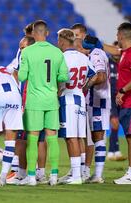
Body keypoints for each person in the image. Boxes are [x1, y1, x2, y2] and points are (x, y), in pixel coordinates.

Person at [83, 22, 131, 184]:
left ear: (122, 35)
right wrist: (99, 43)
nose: (116, 36)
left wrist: (123, 91)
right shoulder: (129, 51)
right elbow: (116, 51)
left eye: (117, 34)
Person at [18, 20, 69, 186]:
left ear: (33, 33)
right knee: (52, 138)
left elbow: (21, 76)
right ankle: (54, 176)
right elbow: (64, 77)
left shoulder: (27, 52)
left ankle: (31, 177)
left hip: (34, 101)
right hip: (52, 100)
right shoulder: (57, 52)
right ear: (47, 33)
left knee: (32, 139)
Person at [6, 23, 48, 185]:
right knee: (41, 140)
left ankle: (22, 174)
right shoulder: (47, 53)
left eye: (22, 47)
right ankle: (41, 174)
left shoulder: (27, 57)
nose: (21, 50)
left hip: (29, 102)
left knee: (22, 139)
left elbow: (19, 76)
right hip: (46, 101)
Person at [56, 28, 95, 185]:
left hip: (68, 98)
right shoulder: (83, 57)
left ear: (63, 41)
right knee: (77, 137)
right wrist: (84, 87)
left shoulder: (61, 57)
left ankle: (77, 176)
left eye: (58, 40)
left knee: (71, 137)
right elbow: (94, 74)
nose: (57, 43)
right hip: (79, 97)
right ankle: (75, 172)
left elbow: (58, 81)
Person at [72, 23, 110, 184]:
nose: (74, 39)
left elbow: (100, 76)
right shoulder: (89, 55)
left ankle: (98, 175)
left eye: (77, 36)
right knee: (90, 136)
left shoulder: (96, 54)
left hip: (98, 101)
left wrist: (85, 85)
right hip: (91, 101)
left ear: (85, 37)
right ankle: (87, 171)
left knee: (97, 137)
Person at [107, 41, 126, 161]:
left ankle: (114, 150)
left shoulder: (124, 64)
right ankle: (112, 152)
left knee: (117, 125)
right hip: (110, 98)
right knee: (114, 122)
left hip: (122, 98)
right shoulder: (107, 63)